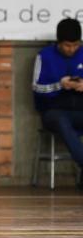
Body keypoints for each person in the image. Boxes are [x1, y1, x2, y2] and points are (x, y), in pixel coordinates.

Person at [32, 17, 83, 188]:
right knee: (62, 121)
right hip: (53, 110)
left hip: (79, 109)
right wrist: (59, 85)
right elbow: (36, 87)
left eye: (76, 45)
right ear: (59, 43)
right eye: (67, 45)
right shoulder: (44, 56)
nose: (72, 49)